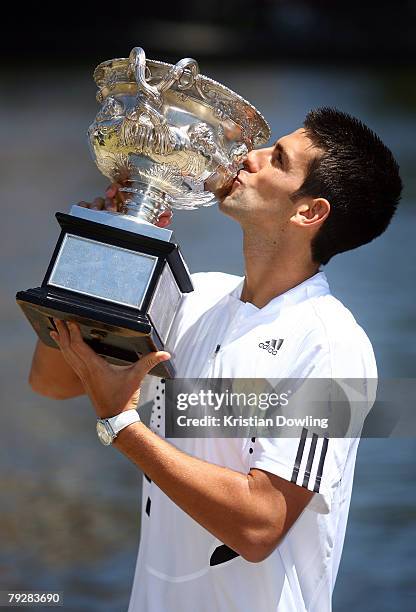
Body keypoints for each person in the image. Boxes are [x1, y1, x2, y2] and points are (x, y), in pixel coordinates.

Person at [29, 107, 402, 611]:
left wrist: (124, 425)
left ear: (308, 212)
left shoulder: (336, 348)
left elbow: (260, 525)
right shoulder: (193, 297)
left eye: (277, 159)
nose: (248, 157)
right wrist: (104, 253)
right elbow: (53, 380)